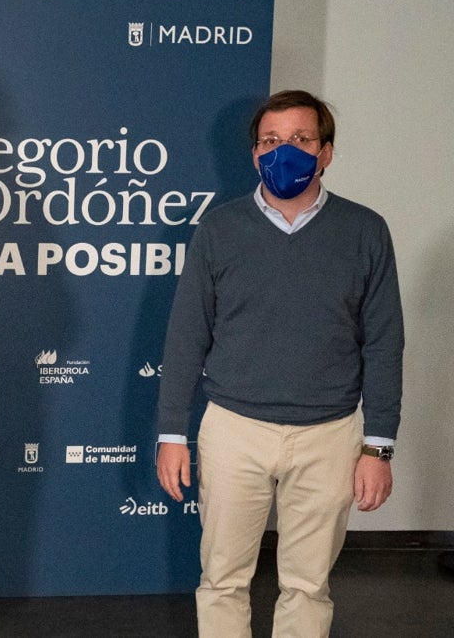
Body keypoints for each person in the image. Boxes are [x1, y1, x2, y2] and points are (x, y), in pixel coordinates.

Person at [155, 90, 404, 637]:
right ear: (254, 155)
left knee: (308, 586)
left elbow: (385, 344)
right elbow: (186, 337)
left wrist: (378, 447)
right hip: (234, 429)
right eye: (270, 141)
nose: (283, 151)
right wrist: (172, 432)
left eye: (300, 139)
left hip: (331, 435)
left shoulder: (365, 231)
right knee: (222, 578)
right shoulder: (219, 231)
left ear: (326, 152)